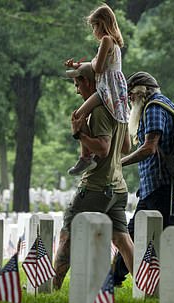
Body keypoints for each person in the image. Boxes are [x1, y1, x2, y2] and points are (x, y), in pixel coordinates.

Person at [53, 63, 133, 290]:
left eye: (78, 84)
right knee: (123, 241)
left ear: (88, 82)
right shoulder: (118, 109)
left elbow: (103, 148)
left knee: (68, 231)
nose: (77, 90)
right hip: (117, 188)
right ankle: (146, 288)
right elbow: (125, 146)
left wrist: (79, 134)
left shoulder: (98, 111)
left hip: (96, 187)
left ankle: (52, 286)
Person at [111, 71, 174, 285]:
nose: (130, 100)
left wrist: (119, 162)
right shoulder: (164, 104)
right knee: (146, 234)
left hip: (158, 185)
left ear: (141, 91)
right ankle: (114, 277)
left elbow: (149, 148)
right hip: (157, 186)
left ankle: (113, 278)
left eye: (131, 95)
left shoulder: (153, 108)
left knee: (134, 235)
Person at [64, 4, 129, 176]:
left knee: (78, 114)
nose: (94, 31)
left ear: (101, 23)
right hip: (113, 89)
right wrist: (78, 65)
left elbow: (98, 68)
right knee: (83, 115)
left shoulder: (106, 40)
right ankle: (89, 155)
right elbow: (97, 65)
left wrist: (89, 63)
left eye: (94, 26)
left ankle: (85, 157)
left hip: (107, 90)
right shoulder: (113, 44)